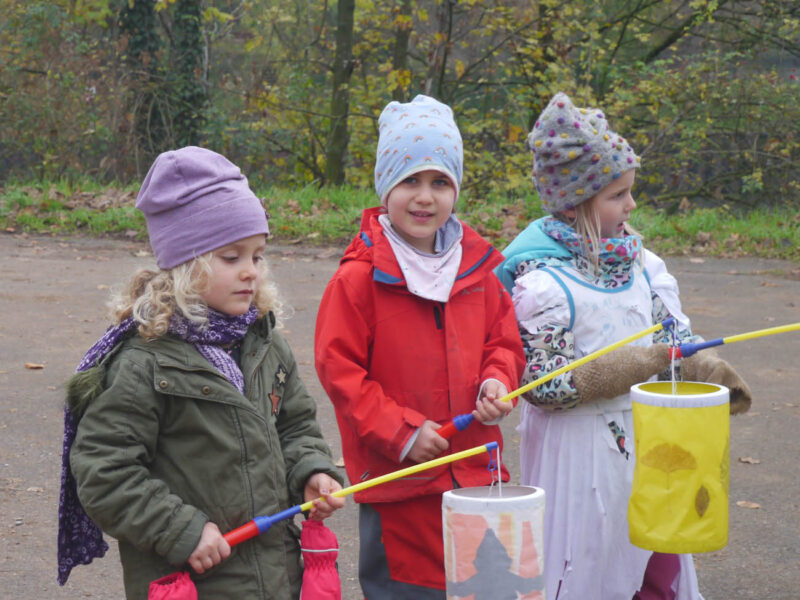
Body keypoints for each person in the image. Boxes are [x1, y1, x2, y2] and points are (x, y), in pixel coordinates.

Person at [57, 146, 345, 599]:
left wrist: (310, 470)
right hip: (195, 581)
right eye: (232, 258)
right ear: (185, 266)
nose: (251, 272)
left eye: (258, 256)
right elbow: (103, 472)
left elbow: (296, 425)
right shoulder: (141, 364)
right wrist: (182, 530)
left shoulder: (265, 342)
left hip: (278, 575)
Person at [496, 92, 752, 600]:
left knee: (656, 562)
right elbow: (544, 385)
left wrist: (705, 367)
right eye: (617, 195)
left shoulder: (640, 265)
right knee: (589, 565)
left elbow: (669, 338)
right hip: (580, 458)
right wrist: (635, 366)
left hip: (648, 442)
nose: (631, 205)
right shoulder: (542, 283)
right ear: (576, 202)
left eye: (630, 192)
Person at [314, 94, 525, 598]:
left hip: (476, 479)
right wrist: (402, 432)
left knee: (483, 589)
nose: (424, 197)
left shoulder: (477, 271)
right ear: (386, 187)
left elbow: (505, 341)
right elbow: (338, 370)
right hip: (401, 488)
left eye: (439, 182)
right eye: (410, 180)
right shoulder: (358, 280)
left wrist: (499, 379)